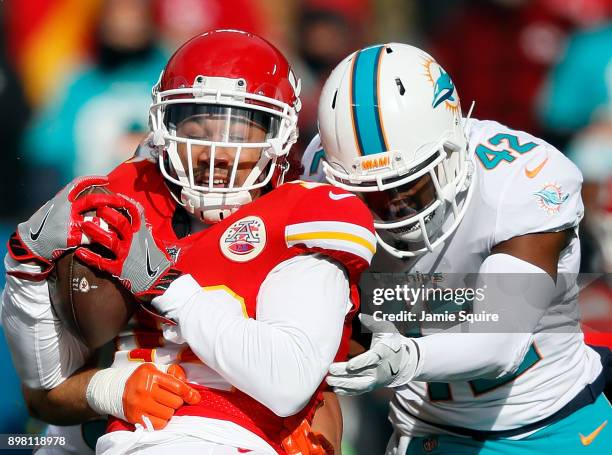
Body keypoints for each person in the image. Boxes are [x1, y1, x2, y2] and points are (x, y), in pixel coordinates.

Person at [2, 30, 376, 454]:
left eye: (238, 130)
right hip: (112, 435)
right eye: (196, 122)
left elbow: (287, 381)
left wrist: (165, 285)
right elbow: (43, 393)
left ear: (281, 136)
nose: (213, 151)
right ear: (164, 126)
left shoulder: (301, 216)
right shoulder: (124, 202)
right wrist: (26, 277)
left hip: (226, 437)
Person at [302, 42, 611, 453]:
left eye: (410, 183)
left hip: (552, 428)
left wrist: (404, 358)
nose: (396, 208)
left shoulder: (522, 179)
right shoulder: (321, 173)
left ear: (453, 146)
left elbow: (500, 341)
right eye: (372, 195)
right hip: (426, 434)